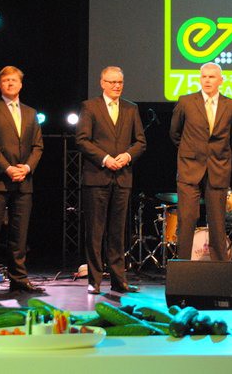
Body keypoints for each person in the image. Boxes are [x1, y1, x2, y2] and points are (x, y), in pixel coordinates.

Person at [0, 66, 45, 297]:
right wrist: (7, 168)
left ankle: (18, 279)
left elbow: (38, 146)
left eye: (14, 80)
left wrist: (26, 167)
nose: (10, 83)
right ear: (0, 85)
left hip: (24, 181)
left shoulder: (31, 112)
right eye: (6, 80)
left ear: (21, 84)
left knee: (19, 234)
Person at [76, 66, 146, 294]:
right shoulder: (90, 107)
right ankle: (94, 280)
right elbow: (82, 140)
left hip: (123, 178)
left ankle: (118, 280)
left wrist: (127, 156)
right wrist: (105, 159)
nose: (117, 86)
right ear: (102, 83)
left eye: (120, 82)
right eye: (112, 82)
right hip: (97, 177)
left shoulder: (131, 108)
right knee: (95, 231)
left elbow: (140, 142)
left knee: (117, 232)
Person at [169, 62, 232, 260]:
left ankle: (219, 268)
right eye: (204, 76)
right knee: (187, 218)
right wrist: (192, 151)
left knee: (217, 220)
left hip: (218, 166)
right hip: (190, 166)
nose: (207, 80)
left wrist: (216, 153)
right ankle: (184, 265)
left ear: (221, 80)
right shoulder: (185, 102)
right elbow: (175, 133)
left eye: (212, 77)